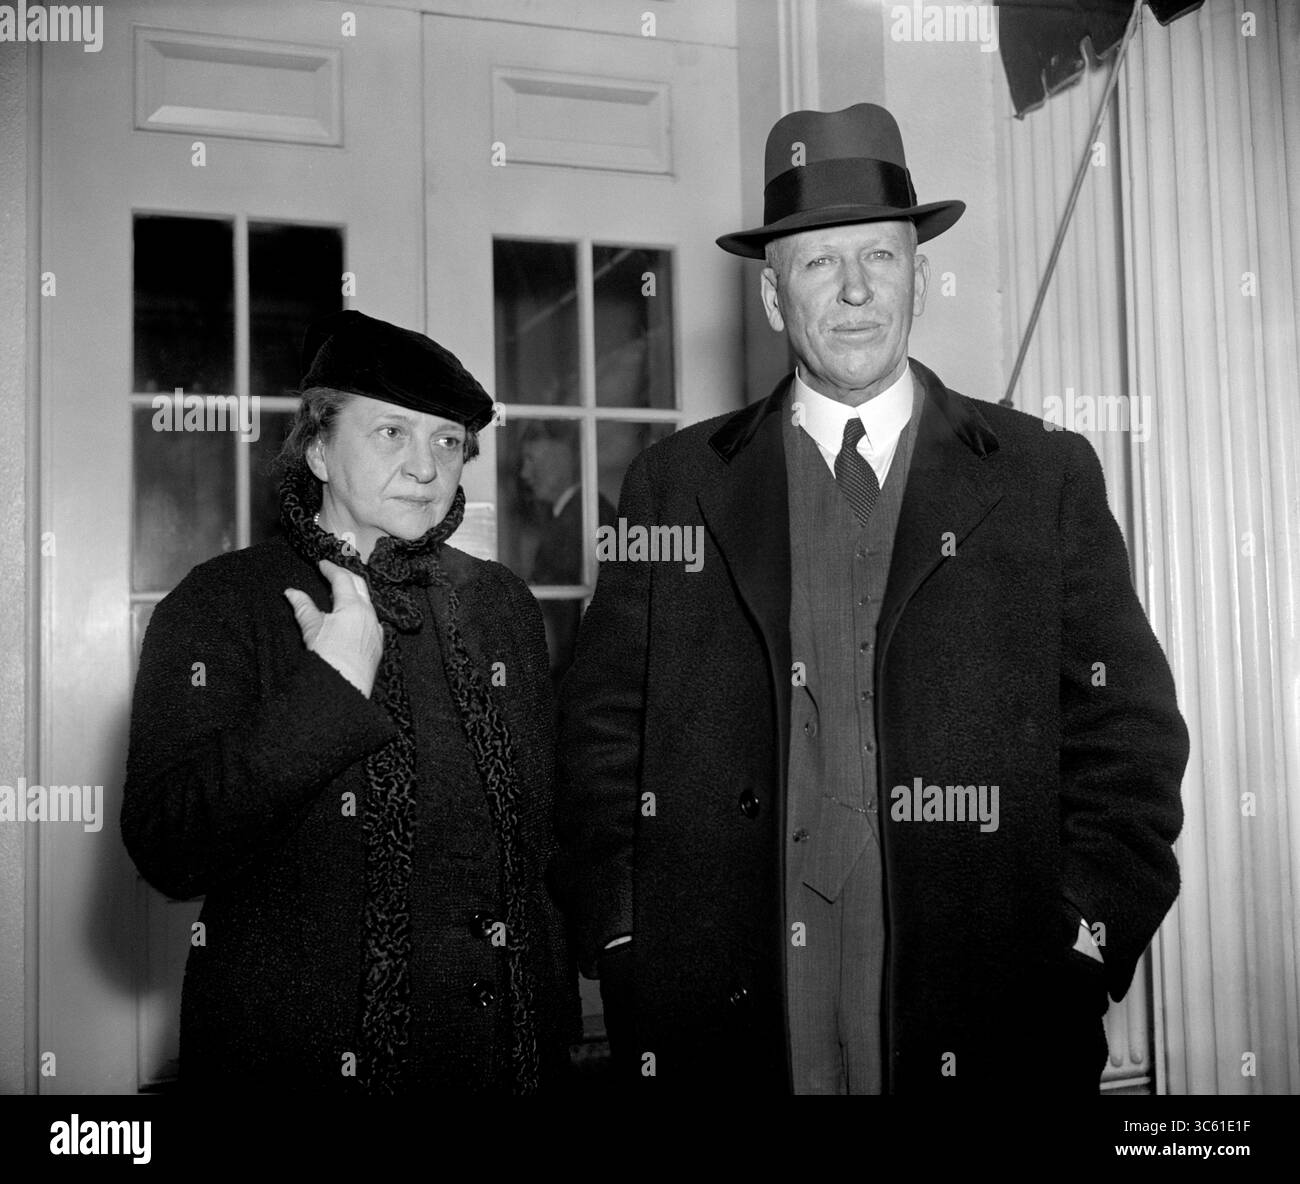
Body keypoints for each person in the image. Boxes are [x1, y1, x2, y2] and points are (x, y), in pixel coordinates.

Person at [550, 103, 1188, 1094]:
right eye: (815, 263)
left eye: (880, 259)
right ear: (771, 299)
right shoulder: (673, 483)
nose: (853, 291)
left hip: (990, 1001)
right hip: (731, 1004)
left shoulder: (1039, 474)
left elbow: (1129, 741)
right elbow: (600, 732)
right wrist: (627, 932)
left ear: (919, 278)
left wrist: (1081, 945)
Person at [122, 309, 579, 1093]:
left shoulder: (501, 605)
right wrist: (327, 691)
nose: (428, 467)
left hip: (507, 1060)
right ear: (321, 450)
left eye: (448, 441)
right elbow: (170, 849)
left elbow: (537, 856)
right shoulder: (223, 604)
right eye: (392, 433)